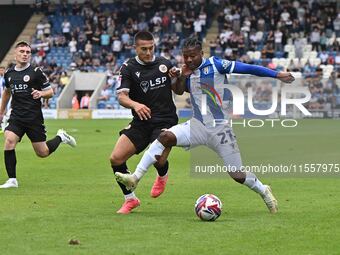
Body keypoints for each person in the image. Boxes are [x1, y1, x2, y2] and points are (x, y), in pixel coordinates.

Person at [115, 37, 295, 214]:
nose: (189, 60)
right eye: (186, 56)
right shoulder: (186, 71)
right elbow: (178, 91)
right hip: (197, 125)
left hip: (220, 129)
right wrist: (179, 78)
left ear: (201, 53)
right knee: (165, 137)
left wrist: (277, 74)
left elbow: (246, 68)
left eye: (193, 56)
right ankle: (135, 178)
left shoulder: (217, 65)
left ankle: (264, 191)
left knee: (237, 175)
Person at [110, 31, 183, 214]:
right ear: (135, 48)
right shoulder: (128, 68)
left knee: (158, 160)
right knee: (116, 158)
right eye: (144, 49)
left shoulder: (165, 64)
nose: (149, 52)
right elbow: (121, 97)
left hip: (165, 120)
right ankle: (130, 199)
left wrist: (177, 78)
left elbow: (178, 90)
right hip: (141, 121)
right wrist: (136, 105)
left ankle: (162, 174)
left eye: (151, 48)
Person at [0, 41, 77, 189]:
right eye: (22, 51)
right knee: (9, 140)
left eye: (28, 52)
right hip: (16, 116)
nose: (25, 54)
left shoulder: (36, 72)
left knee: (42, 152)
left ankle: (61, 137)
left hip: (34, 119)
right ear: (15, 54)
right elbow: (7, 93)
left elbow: (50, 92)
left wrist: (41, 93)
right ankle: (12, 180)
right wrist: (1, 112)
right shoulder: (9, 74)